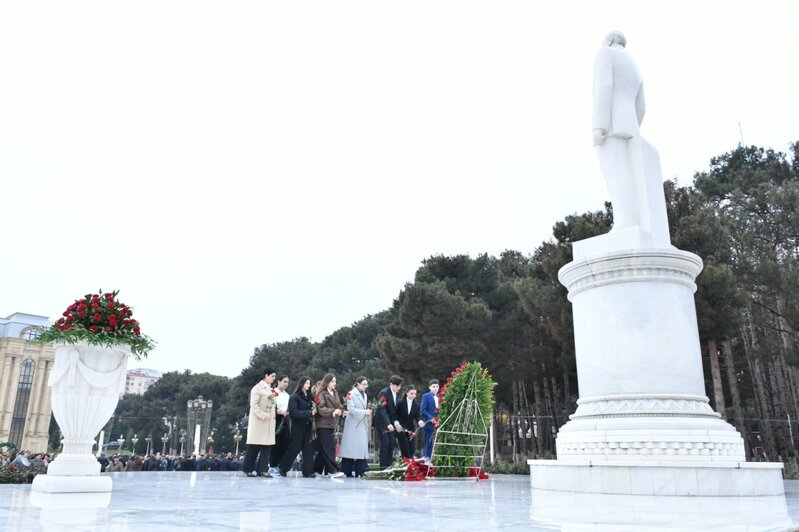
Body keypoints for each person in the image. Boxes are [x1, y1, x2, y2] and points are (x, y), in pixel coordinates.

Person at [592, 30, 670, 246]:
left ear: (608, 40)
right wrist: (632, 125)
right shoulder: (634, 67)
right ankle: (628, 222)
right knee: (629, 175)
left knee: (616, 174)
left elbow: (604, 87)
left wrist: (599, 125)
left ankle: (625, 223)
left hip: (610, 123)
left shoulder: (604, 53)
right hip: (630, 124)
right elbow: (642, 106)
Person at [277, 376, 317, 477]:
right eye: (307, 383)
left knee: (308, 449)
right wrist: (309, 413)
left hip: (308, 427)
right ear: (301, 384)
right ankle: (283, 468)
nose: (308, 385)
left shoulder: (310, 396)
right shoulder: (294, 397)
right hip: (298, 427)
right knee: (294, 448)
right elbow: (294, 412)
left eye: (309, 383)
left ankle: (308, 471)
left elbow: (318, 402)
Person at [242, 367, 277, 477]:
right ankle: (248, 469)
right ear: (266, 375)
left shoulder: (271, 390)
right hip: (259, 422)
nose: (274, 378)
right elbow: (254, 405)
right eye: (272, 376)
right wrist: (263, 415)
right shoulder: (257, 388)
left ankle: (263, 470)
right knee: (254, 446)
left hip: (269, 423)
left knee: (267, 447)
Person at [313, 373, 346, 479]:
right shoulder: (321, 393)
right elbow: (321, 409)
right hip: (322, 424)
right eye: (332, 381)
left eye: (335, 381)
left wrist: (341, 412)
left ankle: (316, 469)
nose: (334, 384)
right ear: (326, 382)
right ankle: (332, 470)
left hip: (332, 424)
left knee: (324, 449)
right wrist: (334, 411)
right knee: (329, 448)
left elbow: (338, 406)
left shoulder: (335, 393)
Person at [338, 376, 372, 477]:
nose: (365, 386)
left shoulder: (364, 395)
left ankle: (360, 470)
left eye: (366, 384)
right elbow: (351, 409)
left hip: (361, 424)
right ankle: (346, 470)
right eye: (363, 384)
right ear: (358, 383)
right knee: (350, 448)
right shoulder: (351, 394)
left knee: (360, 448)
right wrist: (364, 412)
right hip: (353, 424)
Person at [375, 375, 403, 469]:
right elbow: (381, 409)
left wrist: (396, 423)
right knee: (385, 443)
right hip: (382, 423)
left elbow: (393, 412)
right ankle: (383, 467)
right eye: (397, 386)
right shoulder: (384, 393)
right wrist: (388, 424)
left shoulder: (397, 394)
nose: (399, 388)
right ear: (392, 384)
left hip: (390, 422)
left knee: (391, 442)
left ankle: (389, 465)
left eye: (400, 386)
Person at [268, 375, 291, 476]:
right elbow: (268, 407)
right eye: (284, 381)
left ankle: (281, 467)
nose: (286, 384)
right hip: (275, 420)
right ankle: (273, 466)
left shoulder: (287, 395)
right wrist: (278, 412)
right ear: (279, 381)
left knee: (285, 443)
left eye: (287, 382)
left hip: (285, 420)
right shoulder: (273, 393)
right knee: (275, 444)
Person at [396, 385, 424, 459]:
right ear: (407, 393)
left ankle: (409, 465)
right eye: (411, 393)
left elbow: (417, 416)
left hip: (411, 429)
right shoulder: (400, 403)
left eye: (415, 394)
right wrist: (397, 424)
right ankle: (406, 464)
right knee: (405, 449)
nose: (413, 395)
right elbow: (395, 415)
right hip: (401, 428)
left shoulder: (416, 405)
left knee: (412, 448)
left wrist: (420, 421)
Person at [420, 379, 440, 462]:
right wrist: (431, 418)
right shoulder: (426, 396)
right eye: (433, 387)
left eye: (437, 386)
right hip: (429, 424)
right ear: (429, 387)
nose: (435, 388)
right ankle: (427, 459)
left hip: (439, 424)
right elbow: (423, 410)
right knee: (429, 442)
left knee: (437, 442)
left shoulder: (440, 397)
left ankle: (435, 459)